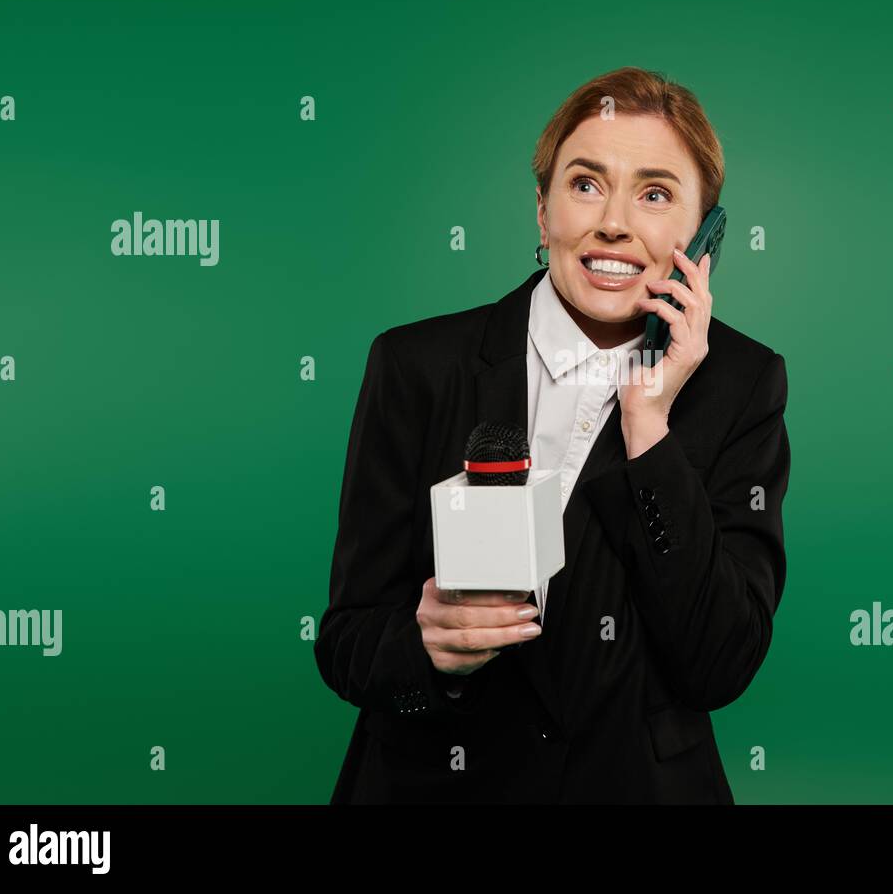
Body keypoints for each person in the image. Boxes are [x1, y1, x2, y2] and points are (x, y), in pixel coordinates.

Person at [315, 66, 790, 803]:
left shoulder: (742, 384)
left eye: (656, 193)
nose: (615, 223)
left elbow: (719, 663)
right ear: (543, 213)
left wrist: (649, 426)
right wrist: (425, 648)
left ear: (702, 238)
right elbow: (345, 641)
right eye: (586, 183)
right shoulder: (416, 366)